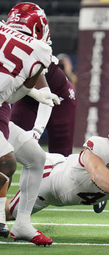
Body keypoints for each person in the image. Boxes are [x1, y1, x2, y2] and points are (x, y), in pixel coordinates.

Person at [0, 2, 61, 246]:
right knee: (6, 161)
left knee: (35, 158)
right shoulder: (39, 50)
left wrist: (33, 92)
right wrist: (34, 91)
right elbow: (13, 96)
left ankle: (22, 223)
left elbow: (10, 96)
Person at [11, 59, 77, 157]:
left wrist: (37, 130)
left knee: (60, 156)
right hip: (26, 97)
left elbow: (46, 97)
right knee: (9, 145)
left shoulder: (25, 57)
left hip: (59, 98)